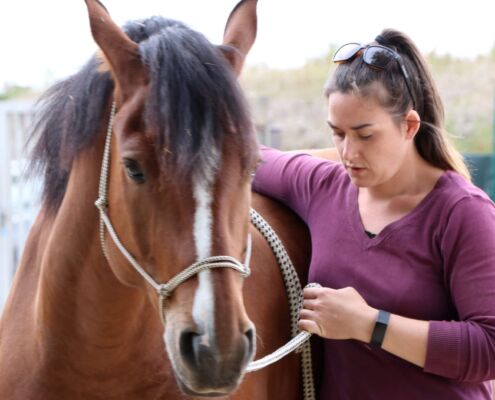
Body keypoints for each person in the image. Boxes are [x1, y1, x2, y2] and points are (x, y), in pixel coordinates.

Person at [252, 29, 495, 399]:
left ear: (409, 126)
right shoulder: (323, 186)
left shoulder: (462, 213)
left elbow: (489, 347)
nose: (348, 152)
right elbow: (246, 156)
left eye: (365, 135)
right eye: (338, 133)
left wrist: (368, 324)